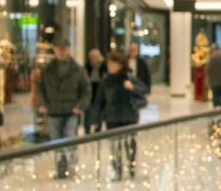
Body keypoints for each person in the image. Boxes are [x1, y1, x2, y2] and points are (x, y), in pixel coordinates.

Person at [36, 38, 91, 179]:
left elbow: (86, 90)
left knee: (70, 141)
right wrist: (41, 104)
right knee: (56, 143)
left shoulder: (77, 69)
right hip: (53, 111)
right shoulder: (47, 70)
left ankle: (71, 169)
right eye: (58, 48)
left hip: (71, 110)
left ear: (68, 49)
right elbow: (39, 89)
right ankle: (60, 170)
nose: (61, 51)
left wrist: (80, 106)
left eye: (64, 48)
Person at [99, 50, 149, 180]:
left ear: (120, 65)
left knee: (130, 145)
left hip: (129, 117)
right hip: (112, 118)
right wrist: (96, 119)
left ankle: (131, 169)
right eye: (109, 64)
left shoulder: (129, 78)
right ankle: (117, 171)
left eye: (113, 64)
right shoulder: (105, 81)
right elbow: (100, 101)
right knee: (115, 146)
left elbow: (144, 89)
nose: (110, 67)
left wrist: (132, 87)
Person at [85, 48, 106, 133]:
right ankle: (87, 128)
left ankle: (98, 127)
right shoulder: (87, 67)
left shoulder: (104, 66)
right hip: (89, 91)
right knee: (88, 111)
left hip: (99, 91)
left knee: (98, 110)